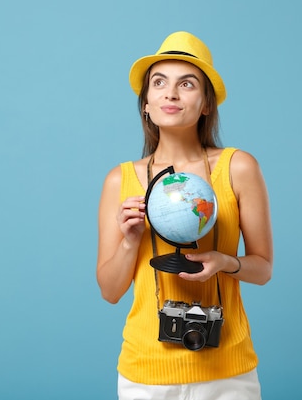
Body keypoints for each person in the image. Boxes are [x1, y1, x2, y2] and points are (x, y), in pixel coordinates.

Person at [96, 31, 273, 400]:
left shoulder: (237, 168)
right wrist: (130, 241)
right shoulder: (121, 179)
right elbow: (110, 291)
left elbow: (263, 269)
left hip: (227, 369)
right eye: (158, 83)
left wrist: (225, 261)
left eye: (187, 84)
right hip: (145, 370)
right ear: (146, 103)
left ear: (206, 104)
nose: (170, 93)